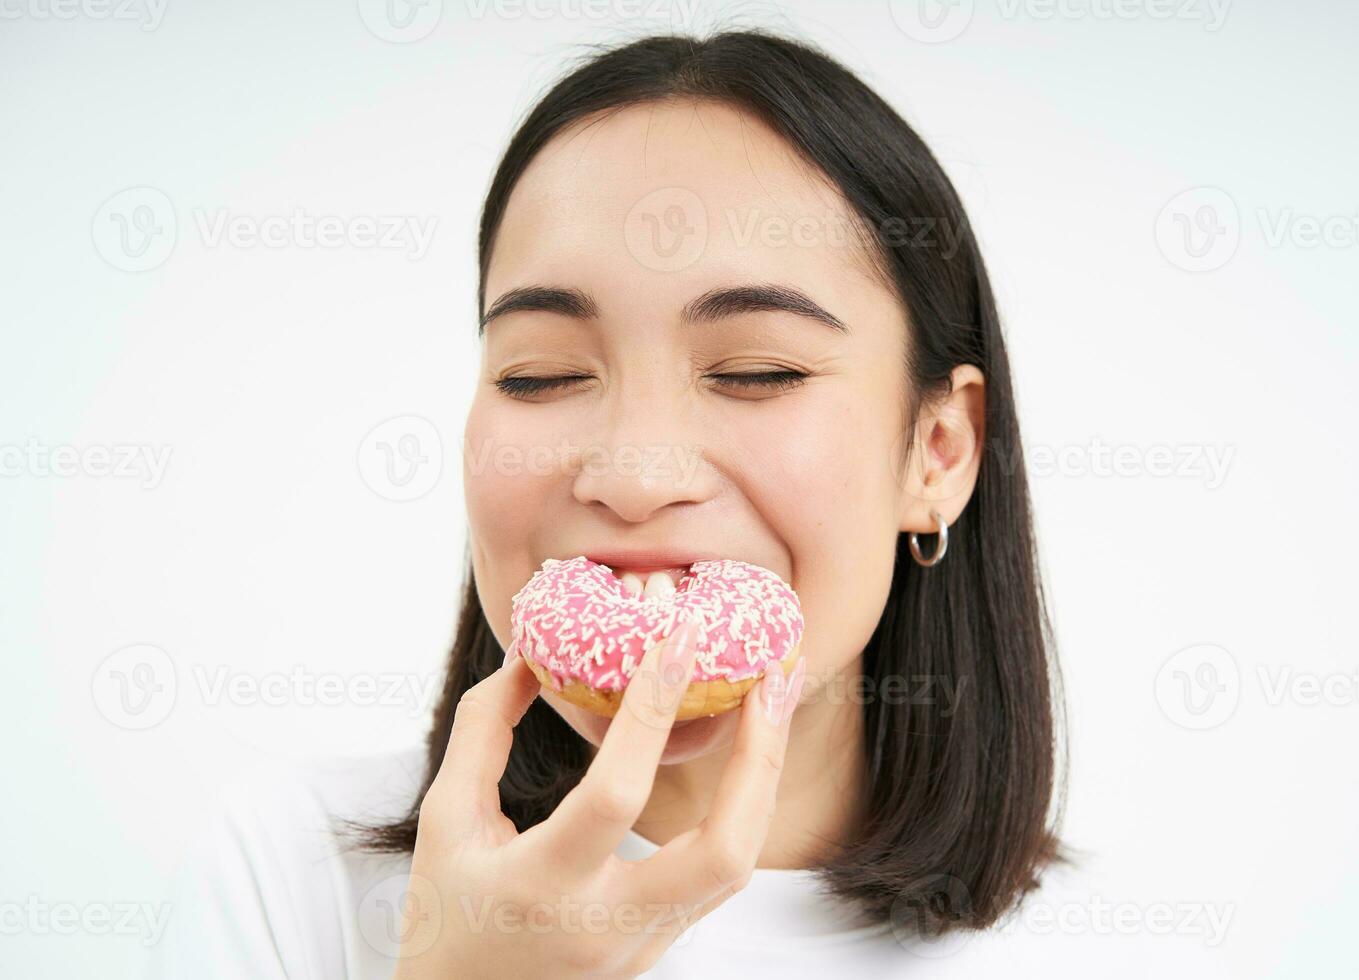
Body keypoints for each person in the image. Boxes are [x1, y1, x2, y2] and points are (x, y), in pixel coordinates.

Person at [146, 28, 1213, 979]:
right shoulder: (290, 871)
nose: (635, 473)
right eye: (541, 373)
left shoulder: (1115, 948)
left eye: (756, 371)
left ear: (936, 450)